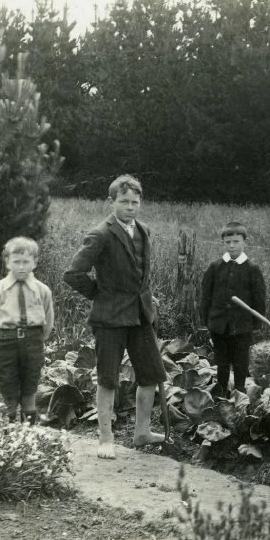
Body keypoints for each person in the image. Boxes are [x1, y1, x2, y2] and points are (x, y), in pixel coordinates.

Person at [64, 174, 168, 459]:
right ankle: (105, 438)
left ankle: (142, 432)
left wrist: (146, 296)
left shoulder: (144, 230)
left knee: (150, 375)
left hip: (140, 315)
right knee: (108, 378)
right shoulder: (101, 233)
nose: (130, 207)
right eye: (124, 202)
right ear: (111, 202)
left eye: (135, 202)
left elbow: (139, 272)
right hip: (109, 318)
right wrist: (102, 294)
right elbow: (73, 274)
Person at [0, 236, 54, 424]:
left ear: (35, 262)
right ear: (7, 262)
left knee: (30, 388)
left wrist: (37, 338)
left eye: (26, 262)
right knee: (9, 389)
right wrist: (2, 339)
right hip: (5, 342)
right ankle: (10, 435)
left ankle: (28, 435)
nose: (21, 267)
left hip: (33, 341)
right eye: (16, 262)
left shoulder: (42, 290)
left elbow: (47, 321)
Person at [199, 221, 266, 394]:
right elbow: (205, 296)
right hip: (218, 324)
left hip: (242, 326)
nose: (232, 245)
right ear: (223, 243)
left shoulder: (252, 269)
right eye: (228, 242)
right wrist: (208, 320)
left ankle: (239, 392)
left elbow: (259, 299)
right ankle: (221, 392)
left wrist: (256, 324)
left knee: (240, 361)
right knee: (221, 361)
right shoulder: (215, 267)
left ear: (245, 242)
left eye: (236, 241)